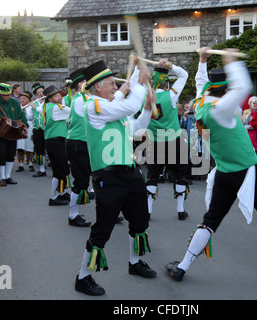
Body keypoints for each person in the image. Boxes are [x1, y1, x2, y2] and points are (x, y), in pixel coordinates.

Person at [165, 47, 257, 283]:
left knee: (210, 221)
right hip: (248, 170)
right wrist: (230, 60)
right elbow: (242, 87)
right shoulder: (222, 109)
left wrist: (202, 60)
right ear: (226, 90)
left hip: (224, 172)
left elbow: (202, 84)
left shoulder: (201, 105)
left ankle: (182, 267)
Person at [74, 59, 156, 296]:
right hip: (108, 176)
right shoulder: (93, 106)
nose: (115, 86)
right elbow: (128, 107)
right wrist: (139, 82)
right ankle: (83, 277)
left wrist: (148, 106)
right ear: (97, 86)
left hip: (130, 171)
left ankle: (134, 263)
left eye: (114, 83)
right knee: (103, 228)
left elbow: (138, 126)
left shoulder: (112, 109)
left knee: (140, 221)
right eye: (111, 83)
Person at [131, 58, 190, 221]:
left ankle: (148, 211)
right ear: (166, 84)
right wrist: (170, 66)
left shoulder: (144, 96)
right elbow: (184, 75)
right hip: (174, 140)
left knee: (153, 176)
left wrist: (137, 67)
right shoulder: (171, 95)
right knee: (181, 174)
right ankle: (180, 209)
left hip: (154, 141)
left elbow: (133, 83)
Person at [65, 68, 93, 227]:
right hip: (77, 144)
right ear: (78, 86)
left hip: (84, 144)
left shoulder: (86, 98)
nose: (87, 84)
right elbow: (92, 115)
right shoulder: (78, 100)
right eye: (84, 82)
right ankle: (73, 215)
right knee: (81, 181)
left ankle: (110, 211)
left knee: (96, 178)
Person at [41, 85, 71, 206]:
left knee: (62, 168)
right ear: (50, 99)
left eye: (59, 95)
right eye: (56, 95)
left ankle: (61, 192)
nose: (59, 97)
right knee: (58, 169)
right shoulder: (55, 108)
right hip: (55, 141)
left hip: (55, 141)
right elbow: (72, 112)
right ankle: (53, 197)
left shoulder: (49, 106)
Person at [30, 83, 47, 177]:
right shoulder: (35, 103)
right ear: (36, 94)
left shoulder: (47, 102)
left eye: (42, 91)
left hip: (47, 129)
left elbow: (43, 111)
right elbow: (30, 117)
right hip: (37, 129)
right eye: (39, 92)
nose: (41, 93)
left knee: (50, 149)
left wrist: (35, 107)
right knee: (39, 150)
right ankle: (41, 170)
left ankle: (55, 170)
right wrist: (23, 112)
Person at [15, 91, 35, 172]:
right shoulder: (18, 107)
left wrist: (25, 113)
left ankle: (30, 163)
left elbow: (31, 118)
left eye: (24, 98)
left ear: (28, 100)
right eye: (21, 98)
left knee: (29, 147)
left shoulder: (31, 108)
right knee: (20, 147)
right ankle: (20, 164)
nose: (22, 100)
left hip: (29, 128)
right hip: (20, 128)